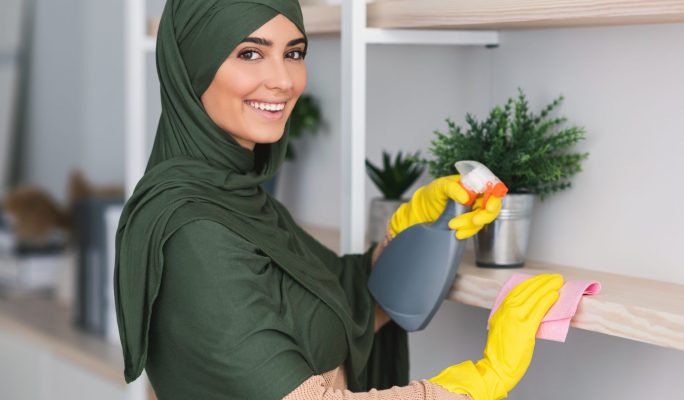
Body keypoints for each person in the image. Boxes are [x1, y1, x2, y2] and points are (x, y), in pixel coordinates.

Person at [113, 1, 564, 399]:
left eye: (293, 53)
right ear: (192, 66)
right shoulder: (196, 230)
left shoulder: (237, 198)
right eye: (250, 53)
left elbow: (339, 302)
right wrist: (481, 381)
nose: (283, 80)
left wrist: (415, 227)